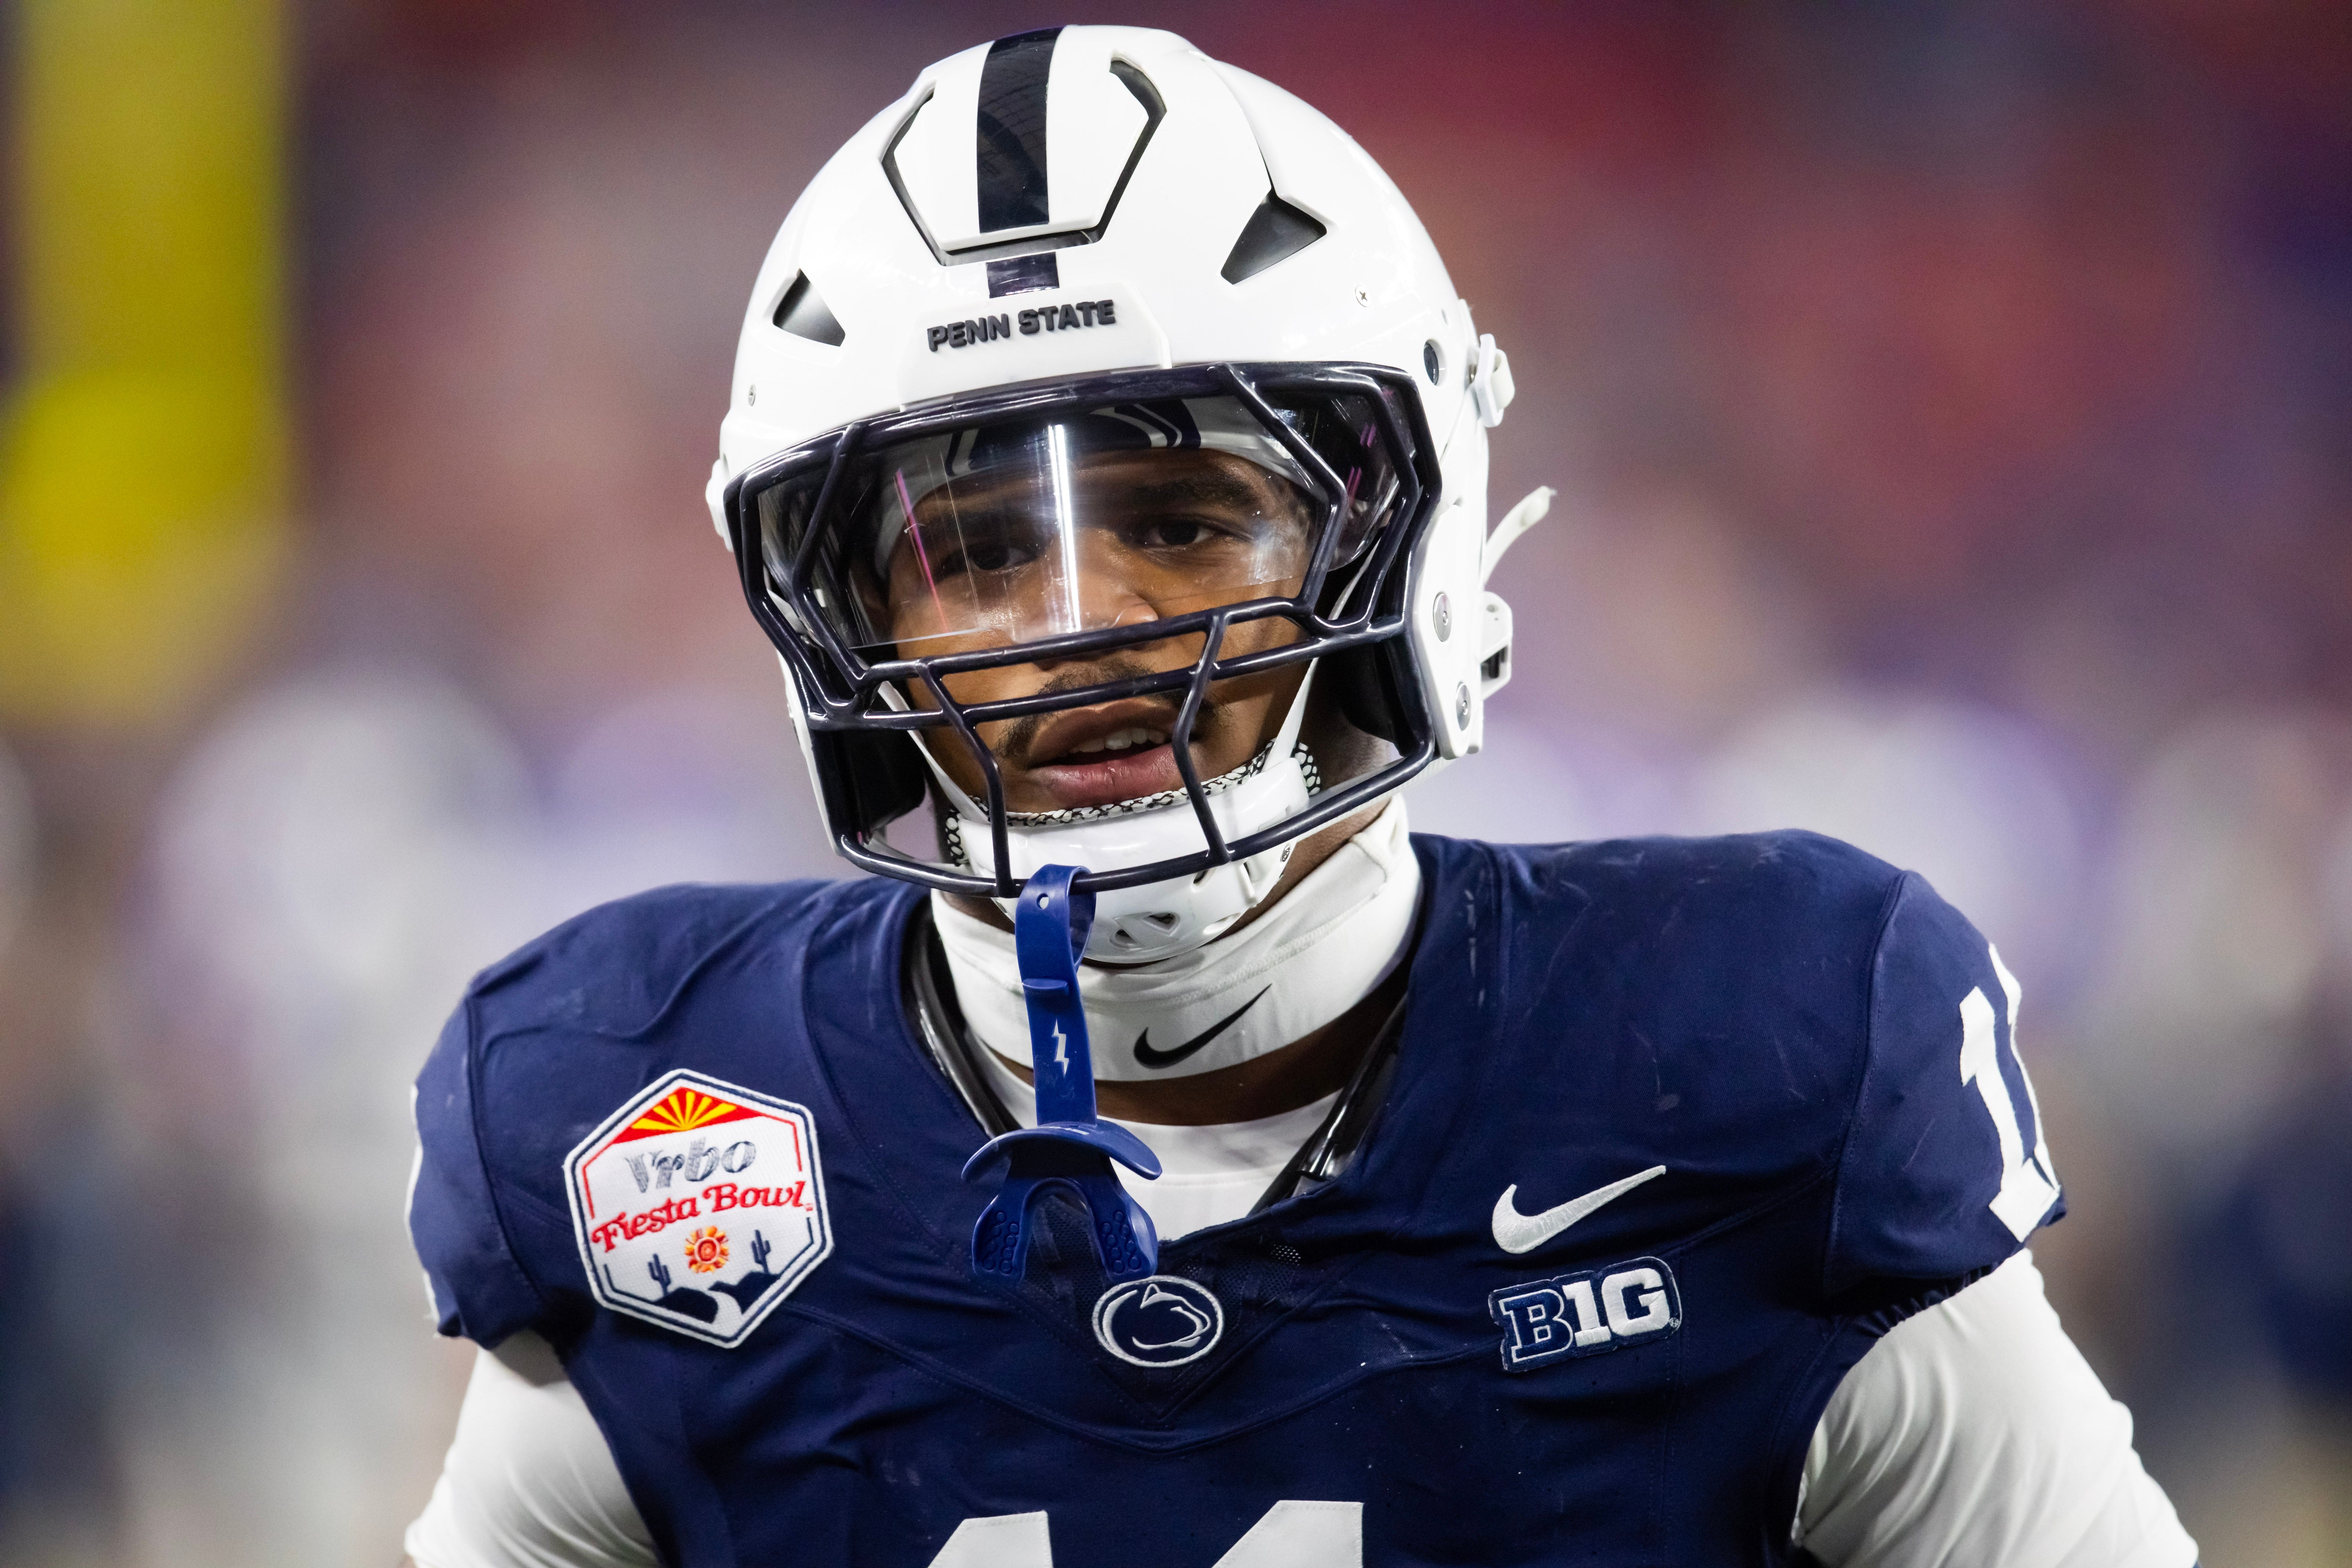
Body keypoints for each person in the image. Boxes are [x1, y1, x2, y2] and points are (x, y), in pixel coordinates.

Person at [402, 25, 2198, 1568]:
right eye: (976, 550)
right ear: (837, 607)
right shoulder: (663, 1132)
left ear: (1393, 530)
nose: (1080, 630)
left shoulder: (1750, 1063)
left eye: (1179, 524)